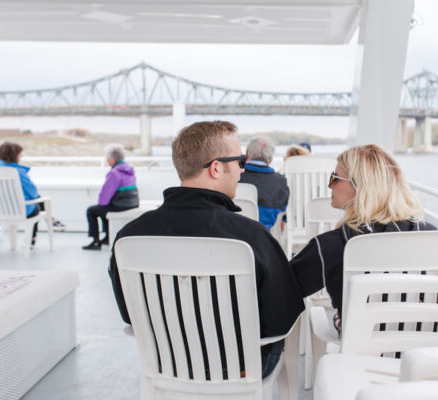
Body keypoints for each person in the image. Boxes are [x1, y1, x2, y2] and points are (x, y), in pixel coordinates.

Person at [108, 121, 304, 378]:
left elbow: (130, 314)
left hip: (167, 365)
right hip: (237, 369)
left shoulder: (129, 237)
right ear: (216, 168)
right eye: (239, 162)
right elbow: (280, 319)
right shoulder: (251, 237)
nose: (241, 171)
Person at [290, 144, 437, 332]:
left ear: (359, 187)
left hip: (365, 355)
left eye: (334, 178)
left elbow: (284, 289)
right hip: (427, 352)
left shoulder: (334, 245)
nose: (330, 184)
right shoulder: (430, 236)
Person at [0, 142, 66, 248]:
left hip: (0, 211)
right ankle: (39, 231)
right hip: (21, 211)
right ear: (14, 155)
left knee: (36, 201)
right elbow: (33, 193)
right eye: (20, 154)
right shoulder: (18, 171)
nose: (21, 156)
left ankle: (52, 221)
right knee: (37, 205)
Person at [82, 144, 138, 250]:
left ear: (112, 160)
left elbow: (104, 198)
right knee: (103, 210)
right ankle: (108, 237)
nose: (106, 159)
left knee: (92, 210)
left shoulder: (114, 173)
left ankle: (95, 241)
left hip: (121, 205)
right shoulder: (128, 170)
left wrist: (102, 203)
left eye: (107, 158)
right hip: (132, 203)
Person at [239, 136, 290, 229]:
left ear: (246, 154)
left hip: (235, 232)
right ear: (270, 159)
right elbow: (282, 221)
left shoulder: (235, 178)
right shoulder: (281, 182)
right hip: (266, 236)